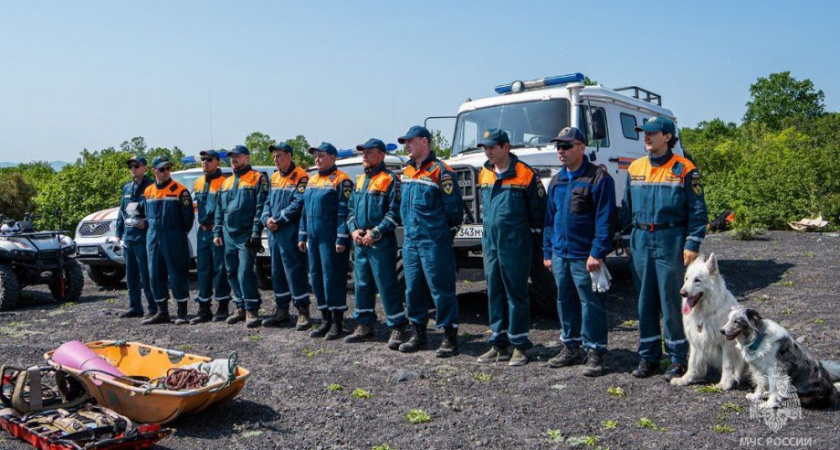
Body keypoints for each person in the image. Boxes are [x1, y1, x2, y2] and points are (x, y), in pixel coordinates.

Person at [622, 116, 708, 380]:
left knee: (672, 301)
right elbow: (626, 207)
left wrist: (692, 243)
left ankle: (678, 358)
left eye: (651, 133)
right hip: (640, 239)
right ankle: (648, 356)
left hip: (670, 239)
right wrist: (627, 239)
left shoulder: (685, 169)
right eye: (643, 133)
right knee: (644, 300)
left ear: (668, 137)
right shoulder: (634, 167)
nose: (645, 137)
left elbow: (697, 211)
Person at [542, 127, 616, 377]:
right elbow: (549, 221)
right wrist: (548, 252)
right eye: (558, 147)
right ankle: (571, 346)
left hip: (585, 255)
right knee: (564, 301)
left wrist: (597, 252)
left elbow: (605, 220)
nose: (560, 151)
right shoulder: (557, 180)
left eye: (566, 146)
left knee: (591, 303)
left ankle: (595, 351)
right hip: (560, 254)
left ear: (582, 148)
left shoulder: (599, 178)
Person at [475, 129, 546, 367]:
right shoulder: (484, 173)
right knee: (494, 292)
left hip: (515, 244)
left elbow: (538, 212)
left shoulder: (525, 174)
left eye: (492, 147)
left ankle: (519, 345)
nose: (488, 152)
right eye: (485, 148)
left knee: (517, 294)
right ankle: (498, 344)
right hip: (491, 244)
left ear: (506, 147)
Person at [397, 125, 463, 357]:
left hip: (434, 241)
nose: (407, 145)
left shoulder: (441, 171)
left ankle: (449, 337)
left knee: (441, 289)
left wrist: (442, 235)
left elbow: (454, 211)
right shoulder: (406, 171)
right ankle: (419, 334)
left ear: (424, 142)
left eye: (410, 141)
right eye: (405, 142)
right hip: (411, 241)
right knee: (413, 288)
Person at [344, 138, 407, 349]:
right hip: (360, 242)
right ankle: (364, 325)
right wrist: (353, 230)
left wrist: (376, 232)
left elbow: (394, 212)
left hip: (381, 243)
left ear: (381, 155)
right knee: (361, 285)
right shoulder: (360, 179)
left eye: (368, 152)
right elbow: (351, 209)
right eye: (363, 152)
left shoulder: (391, 179)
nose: (364, 156)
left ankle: (397, 326)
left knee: (387, 285)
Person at [298, 142, 353, 340]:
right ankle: (325, 319)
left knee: (333, 278)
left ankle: (337, 322)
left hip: (331, 239)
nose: (317, 159)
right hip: (313, 238)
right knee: (316, 278)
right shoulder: (312, 180)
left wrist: (341, 236)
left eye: (321, 156)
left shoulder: (341, 180)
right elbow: (304, 210)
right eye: (316, 156)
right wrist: (302, 234)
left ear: (332, 157)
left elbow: (344, 211)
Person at [214, 145, 269, 328]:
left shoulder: (257, 178)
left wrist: (255, 232)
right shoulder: (226, 182)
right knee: (231, 271)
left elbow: (260, 207)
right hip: (228, 233)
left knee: (245, 271)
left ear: (247, 157)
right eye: (231, 156)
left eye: (237, 156)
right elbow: (219, 209)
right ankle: (240, 307)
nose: (233, 159)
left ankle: (252, 308)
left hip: (245, 233)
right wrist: (217, 231)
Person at [260, 142, 312, 330]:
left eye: (279, 156)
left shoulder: (301, 177)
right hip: (274, 233)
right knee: (277, 272)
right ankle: (281, 310)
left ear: (289, 156)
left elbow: (298, 204)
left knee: (295, 272)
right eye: (274, 156)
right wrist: (266, 219)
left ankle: (303, 312)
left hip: (290, 232)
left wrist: (278, 219)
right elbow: (267, 201)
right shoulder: (274, 177)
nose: (276, 159)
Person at [141, 156, 195, 325]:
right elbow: (146, 215)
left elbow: (188, 218)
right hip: (153, 238)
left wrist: (176, 233)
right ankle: (162, 311)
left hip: (174, 238)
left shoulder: (180, 191)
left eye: (168, 169)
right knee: (155, 275)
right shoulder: (148, 191)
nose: (166, 172)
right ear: (154, 170)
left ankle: (182, 312)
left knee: (178, 273)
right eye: (162, 169)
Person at [190, 150, 232, 324]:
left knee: (220, 269)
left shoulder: (225, 182)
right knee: (203, 269)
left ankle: (223, 306)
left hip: (218, 230)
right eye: (203, 159)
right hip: (203, 230)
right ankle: (204, 308)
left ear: (217, 162)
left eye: (209, 159)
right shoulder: (198, 182)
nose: (204, 162)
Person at [112, 156, 155, 319]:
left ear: (144, 168)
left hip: (143, 236)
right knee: (131, 275)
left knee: (146, 274)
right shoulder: (126, 188)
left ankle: (153, 307)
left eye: (136, 166)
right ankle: (135, 307)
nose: (133, 169)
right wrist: (118, 233)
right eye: (131, 166)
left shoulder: (151, 186)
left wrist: (146, 223)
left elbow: (155, 212)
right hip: (129, 236)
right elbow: (122, 212)